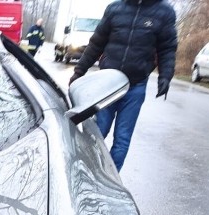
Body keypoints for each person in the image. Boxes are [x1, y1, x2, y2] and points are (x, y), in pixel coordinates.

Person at [69, 0, 177, 172]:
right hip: (107, 86)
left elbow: (167, 48)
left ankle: (111, 178)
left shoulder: (164, 12)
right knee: (98, 133)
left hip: (135, 86)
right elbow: (97, 43)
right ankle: (89, 172)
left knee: (122, 139)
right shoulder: (115, 8)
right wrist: (79, 70)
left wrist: (165, 76)